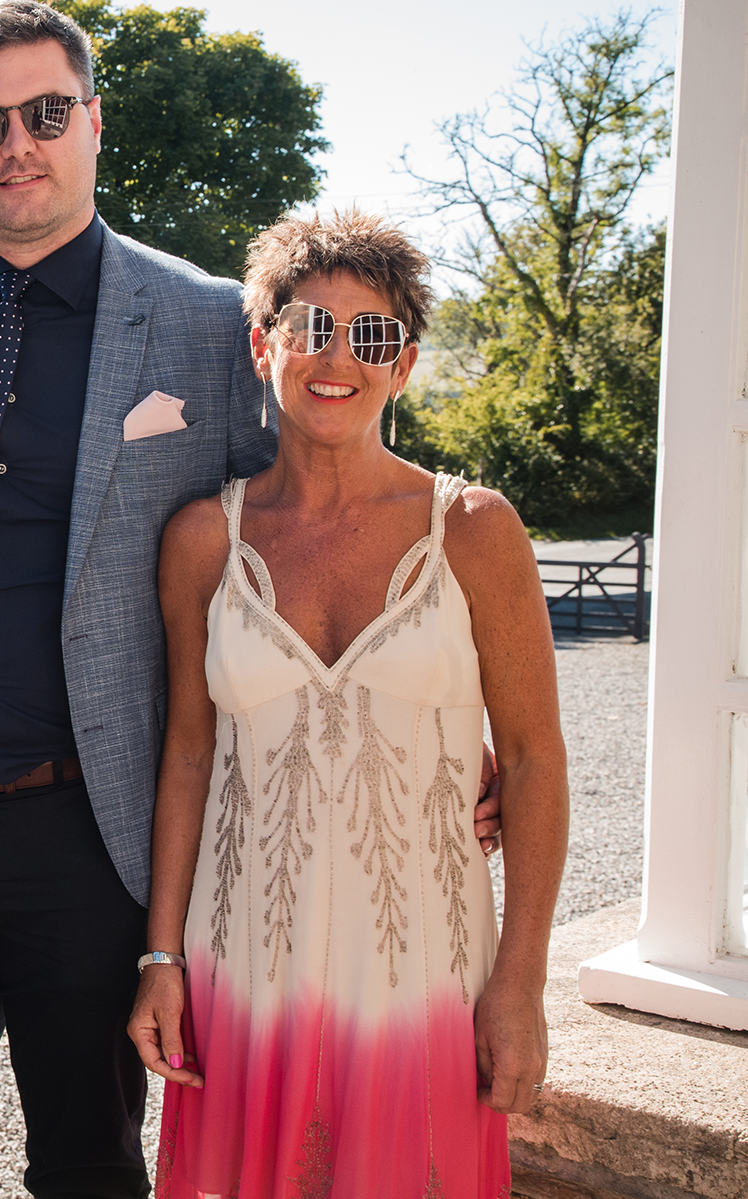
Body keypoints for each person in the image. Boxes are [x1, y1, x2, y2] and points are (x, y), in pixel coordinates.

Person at [0, 0, 502, 1198]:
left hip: (90, 830)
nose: (17, 143)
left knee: (89, 1163)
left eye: (45, 112)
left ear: (93, 122)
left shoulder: (200, 322)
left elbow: (306, 514)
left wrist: (447, 720)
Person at [127, 210, 568, 1197]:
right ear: (263, 343)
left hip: (426, 978)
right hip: (242, 971)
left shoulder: (477, 532)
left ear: (404, 364)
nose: (338, 357)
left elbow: (535, 757)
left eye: (371, 335)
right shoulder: (203, 538)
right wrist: (162, 956)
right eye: (310, 324)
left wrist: (521, 981)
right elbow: (190, 755)